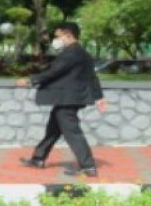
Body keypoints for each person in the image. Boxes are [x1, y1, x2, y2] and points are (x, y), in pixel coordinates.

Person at [16, 22, 108, 177]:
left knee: (73, 132)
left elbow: (54, 72)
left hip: (68, 99)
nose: (55, 40)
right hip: (68, 99)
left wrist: (30, 80)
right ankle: (38, 158)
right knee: (53, 129)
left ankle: (88, 166)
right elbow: (92, 77)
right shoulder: (82, 53)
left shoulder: (71, 53)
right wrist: (99, 96)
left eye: (58, 36)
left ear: (68, 35)